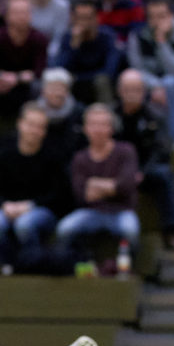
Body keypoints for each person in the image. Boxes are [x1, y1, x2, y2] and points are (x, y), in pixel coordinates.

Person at [0, 102, 71, 273]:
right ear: (20, 124)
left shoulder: (54, 155)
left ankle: (32, 265)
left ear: (44, 131)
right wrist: (5, 205)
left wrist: (29, 206)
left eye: (40, 127)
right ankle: (9, 266)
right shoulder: (6, 154)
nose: (34, 130)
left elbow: (59, 196)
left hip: (42, 210)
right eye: (31, 125)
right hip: (10, 208)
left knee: (25, 224)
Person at [126, 0, 174, 187]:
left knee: (170, 83)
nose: (157, 21)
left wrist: (162, 43)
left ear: (173, 16)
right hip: (153, 92)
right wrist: (157, 86)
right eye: (152, 16)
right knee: (130, 80)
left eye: (162, 16)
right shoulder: (138, 37)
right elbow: (137, 69)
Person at [55, 103, 141, 268]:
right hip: (91, 212)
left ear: (112, 128)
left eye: (103, 124)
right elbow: (81, 194)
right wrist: (112, 186)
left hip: (121, 211)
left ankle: (129, 270)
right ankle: (68, 267)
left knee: (130, 230)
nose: (98, 129)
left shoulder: (126, 151)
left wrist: (94, 184)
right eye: (93, 124)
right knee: (64, 228)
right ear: (85, 128)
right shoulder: (80, 158)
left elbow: (127, 186)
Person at [114, 68, 174, 250]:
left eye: (136, 89)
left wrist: (141, 172)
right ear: (119, 91)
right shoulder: (111, 116)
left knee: (165, 175)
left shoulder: (156, 115)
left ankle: (171, 230)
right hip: (115, 171)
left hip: (145, 169)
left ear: (144, 92)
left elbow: (162, 150)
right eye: (127, 89)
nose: (132, 94)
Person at [0, 0, 48, 140]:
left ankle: (31, 131)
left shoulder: (39, 39)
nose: (21, 17)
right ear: (7, 16)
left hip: (24, 85)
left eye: (25, 12)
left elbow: (39, 71)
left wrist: (16, 78)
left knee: (38, 87)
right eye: (16, 13)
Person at [52, 0, 121, 105]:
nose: (85, 23)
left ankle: (107, 113)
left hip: (98, 82)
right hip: (76, 84)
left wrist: (82, 77)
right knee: (62, 80)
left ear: (97, 18)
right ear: (73, 19)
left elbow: (110, 70)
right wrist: (74, 46)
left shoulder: (108, 37)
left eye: (88, 18)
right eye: (80, 18)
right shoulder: (68, 38)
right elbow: (61, 68)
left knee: (101, 80)